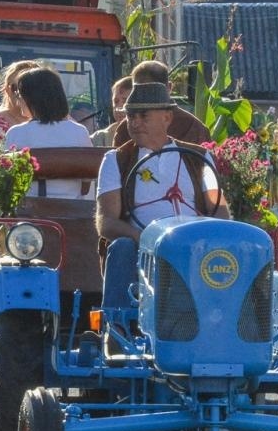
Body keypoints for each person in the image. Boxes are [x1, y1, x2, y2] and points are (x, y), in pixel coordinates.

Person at [97, 82, 227, 311]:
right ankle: (117, 328)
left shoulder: (201, 157)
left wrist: (203, 241)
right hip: (143, 247)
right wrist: (143, 238)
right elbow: (106, 223)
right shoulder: (115, 160)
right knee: (121, 247)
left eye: (143, 116)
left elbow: (219, 210)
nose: (134, 123)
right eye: (130, 116)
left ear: (167, 117)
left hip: (194, 247)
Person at [6, 67, 93, 198]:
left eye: (19, 94)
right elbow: (85, 187)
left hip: (28, 211)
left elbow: (8, 180)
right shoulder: (79, 132)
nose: (18, 100)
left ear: (30, 99)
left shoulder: (16, 133)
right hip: (70, 210)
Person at [110, 59, 211, 148]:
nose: (137, 123)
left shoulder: (126, 129)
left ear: (168, 118)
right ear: (169, 87)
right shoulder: (196, 127)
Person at [91, 76, 132, 147]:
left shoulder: (149, 138)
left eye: (125, 100)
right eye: (116, 101)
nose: (119, 106)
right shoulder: (100, 138)